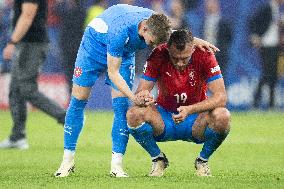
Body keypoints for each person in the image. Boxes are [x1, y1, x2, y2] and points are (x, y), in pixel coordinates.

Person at [54, 4, 219, 178]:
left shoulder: (157, 24)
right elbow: (113, 72)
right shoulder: (120, 31)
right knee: (78, 101)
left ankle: (116, 166)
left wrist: (196, 41)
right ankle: (67, 161)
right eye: (152, 42)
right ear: (144, 28)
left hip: (124, 53)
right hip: (93, 49)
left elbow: (173, 35)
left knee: (121, 108)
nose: (154, 46)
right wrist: (134, 96)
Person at [126, 29, 231, 177]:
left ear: (193, 49)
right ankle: (158, 158)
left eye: (185, 58)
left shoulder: (205, 55)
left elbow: (221, 97)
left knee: (223, 115)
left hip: (196, 120)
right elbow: (140, 92)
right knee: (133, 114)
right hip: (164, 118)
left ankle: (203, 160)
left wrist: (190, 109)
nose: (180, 63)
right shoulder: (158, 54)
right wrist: (143, 97)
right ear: (168, 48)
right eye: (175, 58)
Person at [0, 0, 66, 150]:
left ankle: (67, 118)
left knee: (26, 89)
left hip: (32, 44)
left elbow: (27, 16)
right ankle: (17, 136)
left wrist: (12, 41)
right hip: (27, 43)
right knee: (15, 90)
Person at [249, 0, 284, 109]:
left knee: (273, 75)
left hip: (275, 46)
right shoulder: (267, 8)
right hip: (266, 44)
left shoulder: (278, 10)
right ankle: (255, 100)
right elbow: (253, 21)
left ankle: (271, 104)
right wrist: (255, 36)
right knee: (266, 73)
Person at [54, 0, 86, 94]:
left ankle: (74, 94)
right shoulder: (81, 11)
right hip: (74, 46)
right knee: (73, 73)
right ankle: (75, 94)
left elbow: (57, 10)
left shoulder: (70, 12)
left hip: (71, 47)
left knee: (72, 73)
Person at [203, 0, 232, 81]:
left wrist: (220, 50)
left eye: (211, 2)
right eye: (207, 3)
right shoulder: (203, 21)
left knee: (219, 81)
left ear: (217, 4)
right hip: (204, 56)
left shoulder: (224, 22)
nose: (209, 5)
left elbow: (229, 38)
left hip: (219, 56)